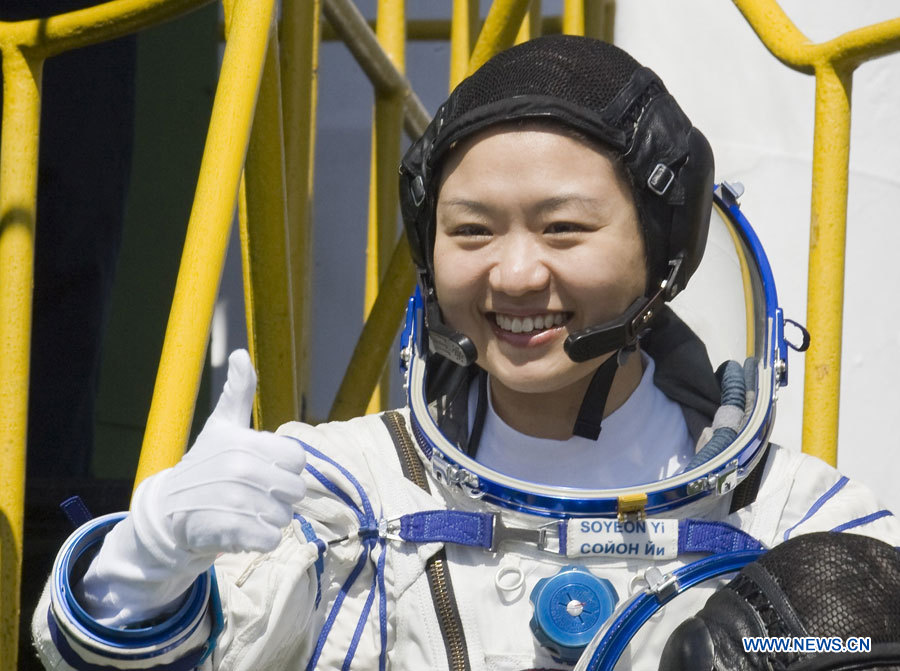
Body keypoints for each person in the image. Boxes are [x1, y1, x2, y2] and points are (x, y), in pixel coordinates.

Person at [33, 35, 900, 671]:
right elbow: (122, 658)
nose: (516, 274)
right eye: (471, 232)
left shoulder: (792, 512)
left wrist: (793, 639)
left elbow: (861, 631)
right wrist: (146, 566)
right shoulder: (341, 493)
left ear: (661, 250)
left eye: (565, 228)